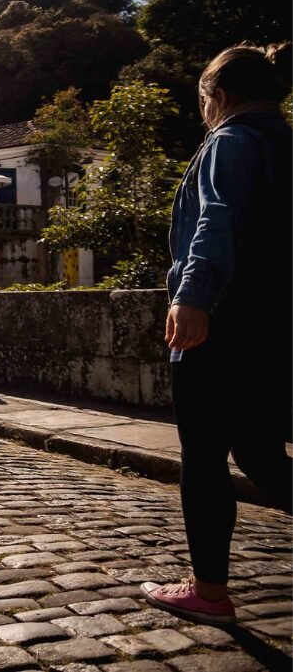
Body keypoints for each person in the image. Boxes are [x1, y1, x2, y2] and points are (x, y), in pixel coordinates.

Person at [140, 43, 292, 626]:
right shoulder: (286, 140)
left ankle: (209, 590)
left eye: (202, 101)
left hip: (226, 319)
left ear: (218, 98)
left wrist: (191, 296)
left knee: (203, 456)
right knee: (259, 450)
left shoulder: (230, 141)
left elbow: (216, 218)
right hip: (277, 323)